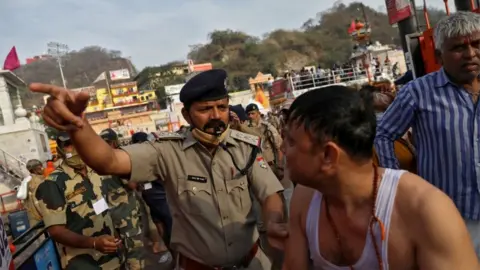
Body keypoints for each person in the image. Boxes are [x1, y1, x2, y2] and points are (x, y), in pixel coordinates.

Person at [32, 68, 287, 270]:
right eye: (205, 110)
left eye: (222, 107)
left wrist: (274, 222)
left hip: (252, 263)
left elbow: (269, 192)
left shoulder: (246, 148)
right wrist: (78, 124)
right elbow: (107, 161)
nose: (216, 116)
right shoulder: (166, 151)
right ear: (186, 116)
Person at [283, 85, 478, 270]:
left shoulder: (425, 209)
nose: (282, 149)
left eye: (291, 142)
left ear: (328, 155)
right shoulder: (305, 199)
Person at [374, 11, 480, 256]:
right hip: (448, 216)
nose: (470, 54)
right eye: (458, 48)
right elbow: (383, 135)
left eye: (477, 44)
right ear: (439, 56)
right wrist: (399, 184)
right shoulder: (418, 92)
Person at [34, 132, 121, 269]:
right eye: (68, 145)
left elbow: (104, 210)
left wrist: (115, 236)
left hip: (111, 257)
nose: (75, 148)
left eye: (78, 142)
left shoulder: (95, 171)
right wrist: (93, 243)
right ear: (60, 150)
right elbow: (56, 231)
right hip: (82, 262)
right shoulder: (52, 184)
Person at [99, 128, 145, 270]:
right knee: (134, 253)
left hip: (108, 216)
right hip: (127, 216)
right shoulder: (119, 160)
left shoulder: (95, 163)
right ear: (115, 143)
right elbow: (132, 184)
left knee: (119, 255)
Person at [24, 159, 45, 226]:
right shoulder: (36, 181)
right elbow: (38, 200)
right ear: (34, 170)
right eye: (40, 166)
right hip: (40, 217)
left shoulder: (29, 180)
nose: (43, 168)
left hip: (35, 216)